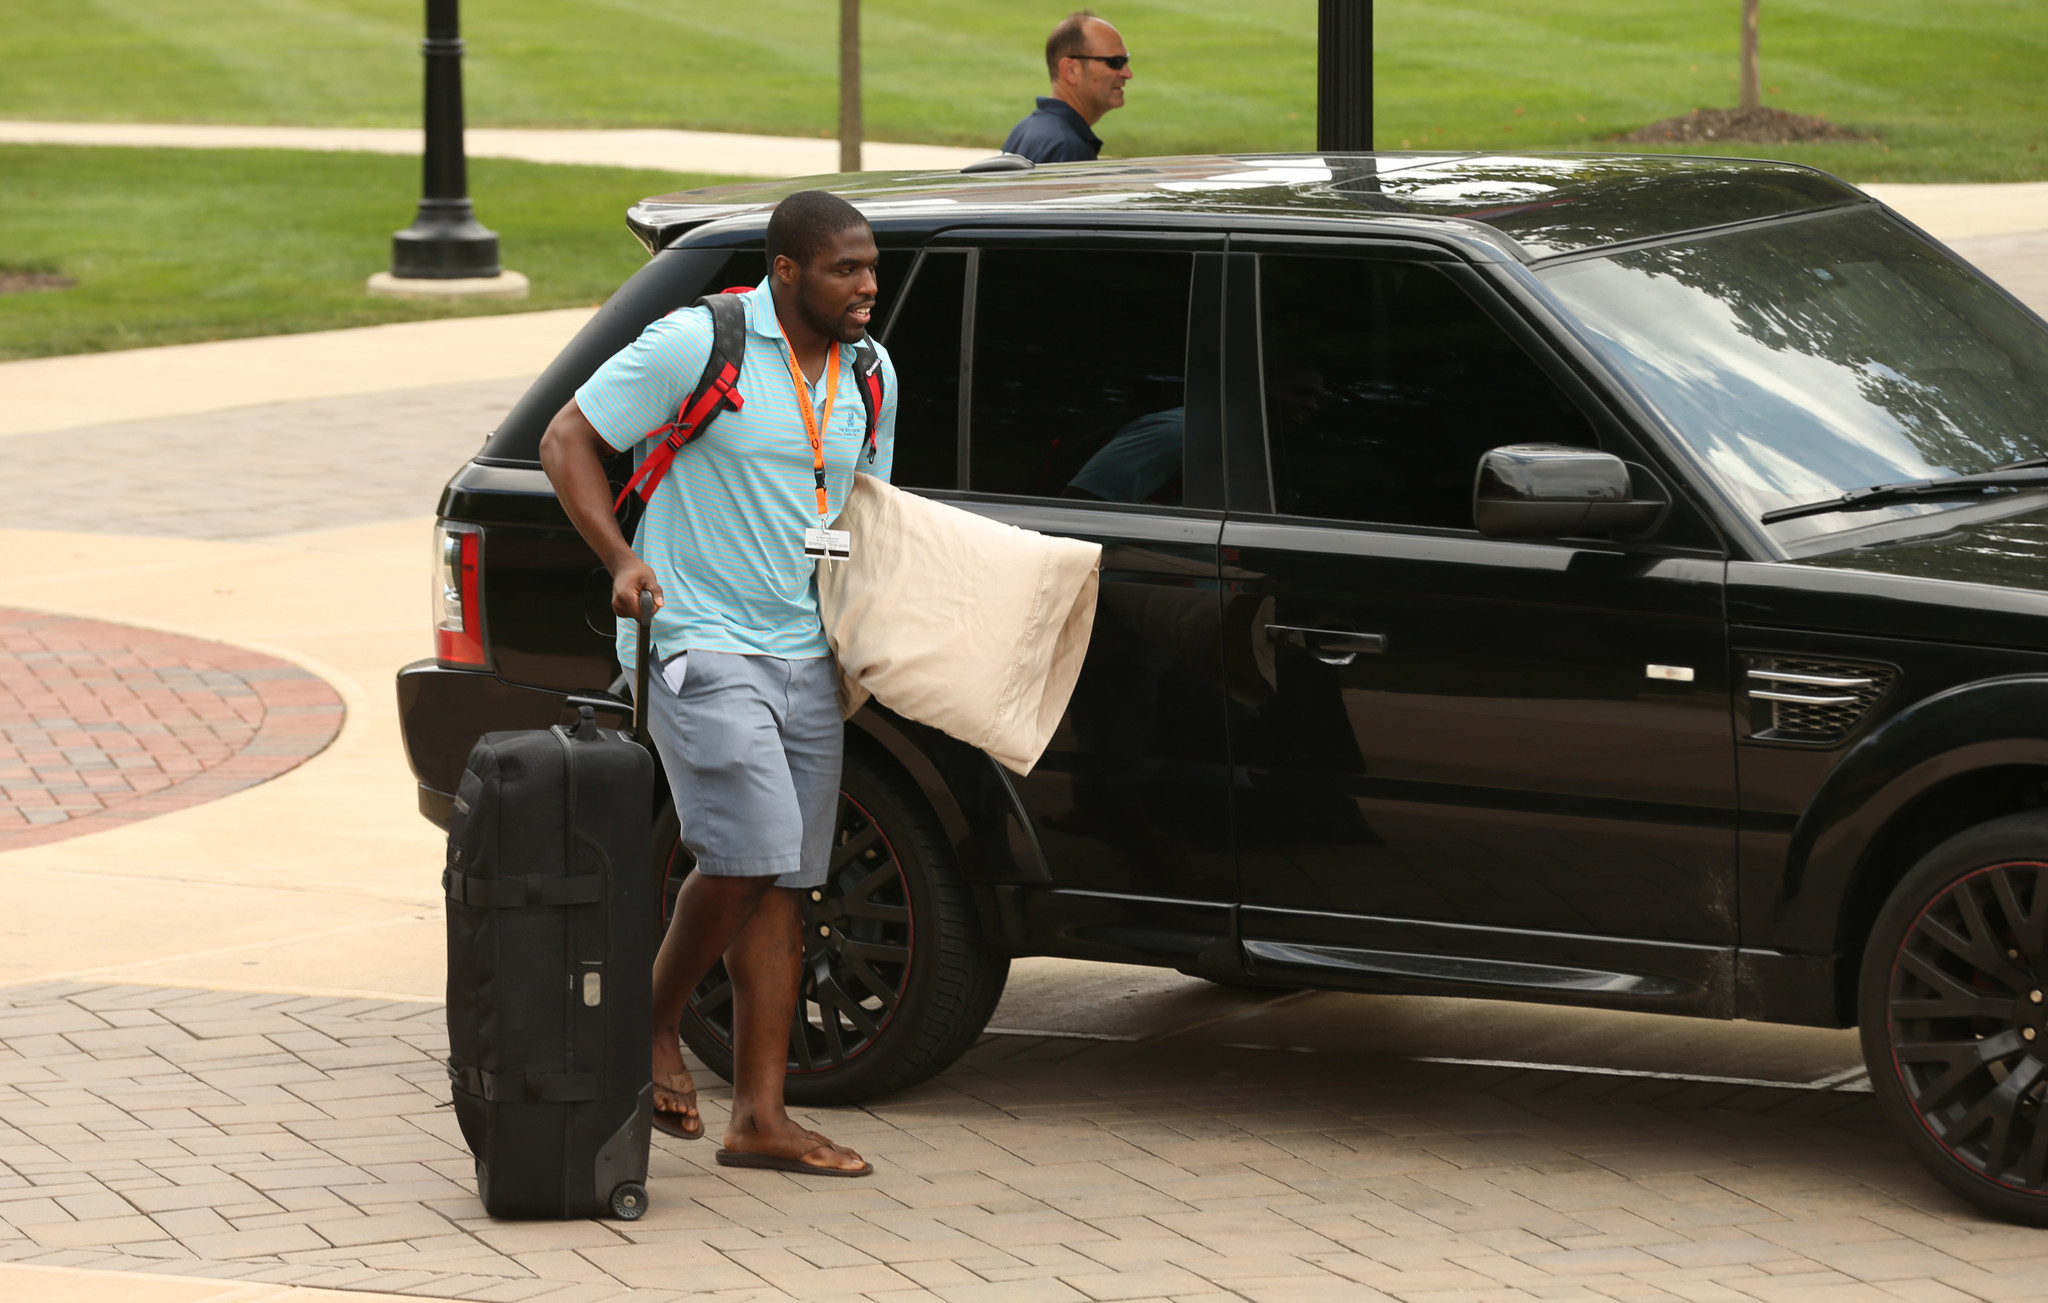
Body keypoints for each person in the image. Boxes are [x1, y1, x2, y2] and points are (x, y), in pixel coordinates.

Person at [538, 190, 897, 1178]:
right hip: (696, 636)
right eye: (846, 269)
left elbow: (865, 510)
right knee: (746, 848)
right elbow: (565, 439)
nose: (867, 285)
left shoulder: (870, 370)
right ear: (786, 271)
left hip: (807, 654)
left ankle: (760, 1119)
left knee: (784, 881)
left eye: (871, 266)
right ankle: (648, 1022)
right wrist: (619, 558)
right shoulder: (700, 341)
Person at [1002, 10, 1133, 164]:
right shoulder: (1067, 147)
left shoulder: (1025, 129)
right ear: (1070, 70)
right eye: (1115, 62)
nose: (1127, 73)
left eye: (1126, 61)